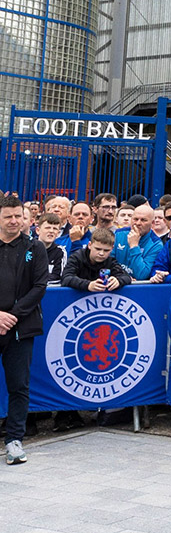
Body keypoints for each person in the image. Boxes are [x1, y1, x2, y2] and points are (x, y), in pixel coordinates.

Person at [0, 194, 49, 465]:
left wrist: (11, 317)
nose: (14, 221)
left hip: (20, 329)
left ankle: (14, 440)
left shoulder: (35, 247)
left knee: (19, 385)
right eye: (8, 216)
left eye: (18, 216)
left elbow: (39, 287)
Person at [62, 228, 133, 293]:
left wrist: (118, 281)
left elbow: (126, 277)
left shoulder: (110, 261)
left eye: (106, 250)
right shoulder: (77, 257)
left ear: (112, 248)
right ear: (89, 245)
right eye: (98, 249)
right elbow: (66, 278)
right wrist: (88, 285)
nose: (101, 253)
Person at [116, 203, 163, 281]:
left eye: (143, 220)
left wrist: (134, 246)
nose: (138, 223)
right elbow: (109, 263)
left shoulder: (156, 244)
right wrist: (124, 278)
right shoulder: (119, 234)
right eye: (135, 219)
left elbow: (141, 275)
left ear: (152, 223)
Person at [36, 213, 68, 282]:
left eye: (55, 229)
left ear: (58, 233)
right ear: (38, 230)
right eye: (47, 228)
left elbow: (58, 276)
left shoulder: (60, 252)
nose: (51, 231)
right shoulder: (28, 248)